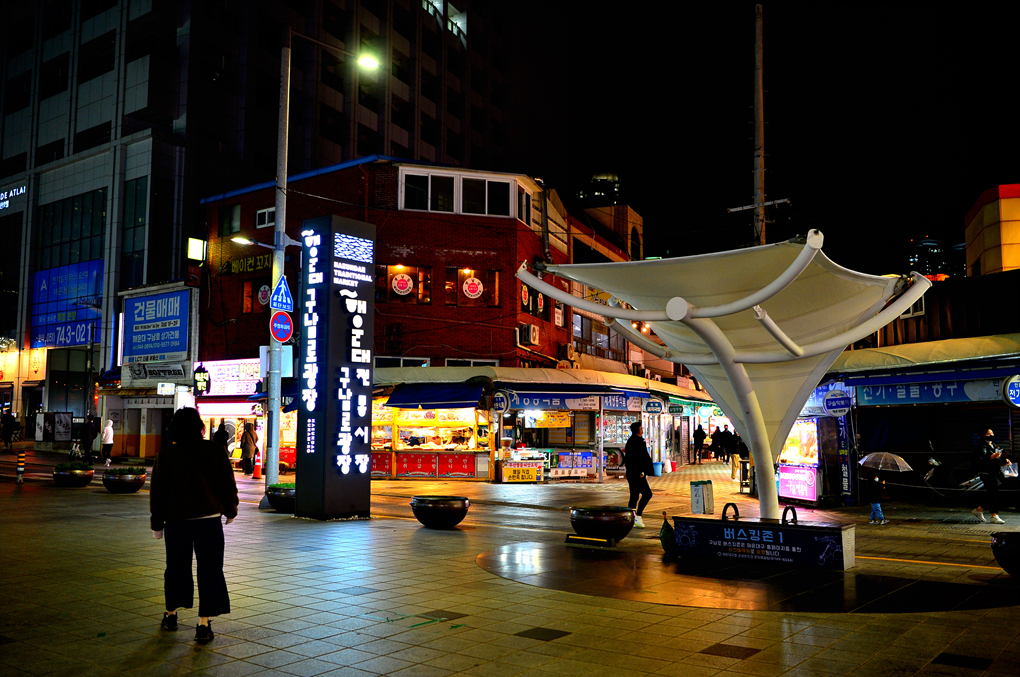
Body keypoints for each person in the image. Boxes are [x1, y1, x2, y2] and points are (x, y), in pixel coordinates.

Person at [150, 407, 238, 644]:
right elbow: (227, 484)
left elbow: (158, 493)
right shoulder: (215, 450)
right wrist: (231, 511)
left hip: (176, 522)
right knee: (210, 570)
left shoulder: (166, 455)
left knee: (175, 568)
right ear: (199, 427)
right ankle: (203, 623)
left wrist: (157, 524)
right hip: (209, 521)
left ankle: (171, 615)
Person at [973, 428, 1010, 524]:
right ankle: (994, 515)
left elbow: (998, 457)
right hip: (986, 472)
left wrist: (1005, 460)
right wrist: (991, 457)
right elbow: (981, 459)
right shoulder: (982, 446)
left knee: (992, 493)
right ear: (984, 435)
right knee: (994, 492)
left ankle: (979, 509)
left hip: (994, 472)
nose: (991, 435)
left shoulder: (994, 444)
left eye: (992, 433)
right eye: (988, 434)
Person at [622, 421, 654, 528]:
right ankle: (638, 516)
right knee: (647, 494)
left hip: (632, 473)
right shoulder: (638, 442)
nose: (642, 430)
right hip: (637, 473)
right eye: (641, 428)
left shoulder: (631, 441)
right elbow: (639, 458)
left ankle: (631, 518)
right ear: (638, 430)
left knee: (634, 496)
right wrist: (642, 471)